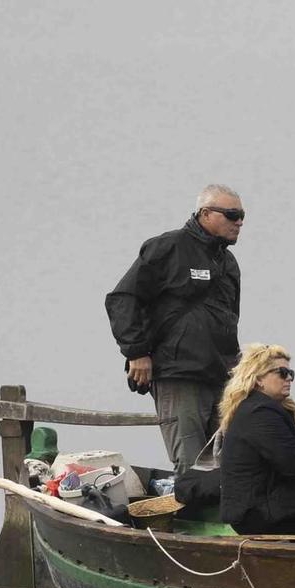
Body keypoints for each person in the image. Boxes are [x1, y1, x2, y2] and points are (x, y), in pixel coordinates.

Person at [105, 184, 244, 472]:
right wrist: (137, 352)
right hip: (179, 374)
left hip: (221, 377)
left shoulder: (228, 263)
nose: (239, 221)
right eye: (232, 214)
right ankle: (190, 516)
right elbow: (123, 298)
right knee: (192, 462)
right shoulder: (168, 247)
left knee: (230, 459)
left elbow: (230, 319)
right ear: (206, 213)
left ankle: (226, 517)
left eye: (242, 215)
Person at [218, 343, 295, 535]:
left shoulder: (256, 409)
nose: (289, 378)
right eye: (281, 372)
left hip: (265, 510)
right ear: (258, 379)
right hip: (268, 516)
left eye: (291, 373)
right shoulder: (261, 413)